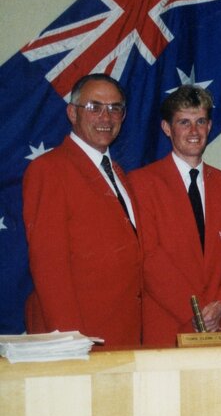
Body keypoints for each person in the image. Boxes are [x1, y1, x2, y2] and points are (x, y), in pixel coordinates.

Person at [22, 73, 141, 346]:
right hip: (80, 338)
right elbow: (49, 266)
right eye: (94, 107)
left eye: (115, 108)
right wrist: (70, 339)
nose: (106, 117)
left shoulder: (117, 173)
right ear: (72, 113)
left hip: (122, 334)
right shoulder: (50, 169)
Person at [129, 86, 221, 345]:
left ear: (210, 126)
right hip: (168, 324)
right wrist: (195, 313)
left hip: (217, 326)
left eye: (200, 121)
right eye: (184, 122)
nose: (194, 131)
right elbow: (150, 258)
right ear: (167, 128)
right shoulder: (142, 183)